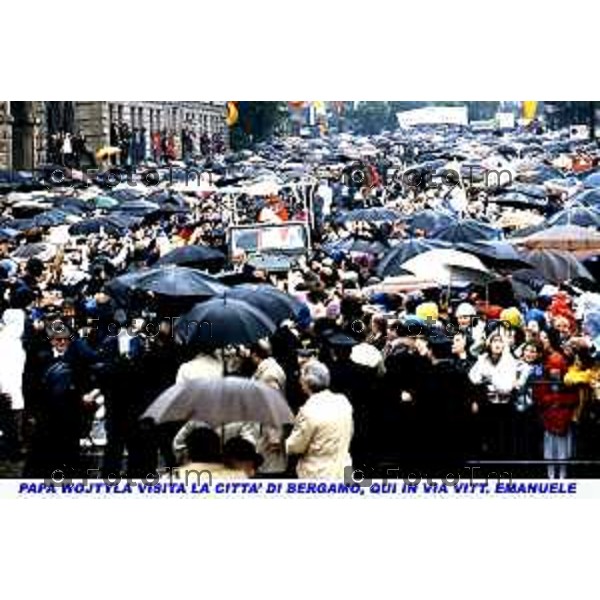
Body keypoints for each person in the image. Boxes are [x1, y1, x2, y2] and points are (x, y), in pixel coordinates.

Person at [286, 360, 353, 479]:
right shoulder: (343, 401)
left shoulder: (308, 410)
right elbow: (350, 432)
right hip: (343, 470)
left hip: (317, 474)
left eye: (301, 377)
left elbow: (296, 446)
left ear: (306, 383)